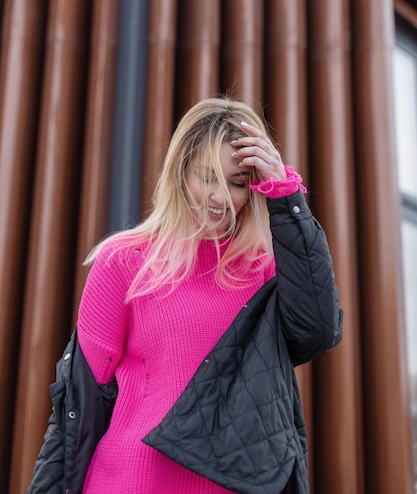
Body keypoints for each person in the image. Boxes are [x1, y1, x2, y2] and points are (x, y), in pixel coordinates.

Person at [28, 96, 343, 494]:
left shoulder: (266, 270)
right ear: (181, 172)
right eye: (207, 176)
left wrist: (285, 195)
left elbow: (318, 331)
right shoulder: (124, 260)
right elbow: (80, 404)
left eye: (237, 183)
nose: (220, 197)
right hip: (128, 481)